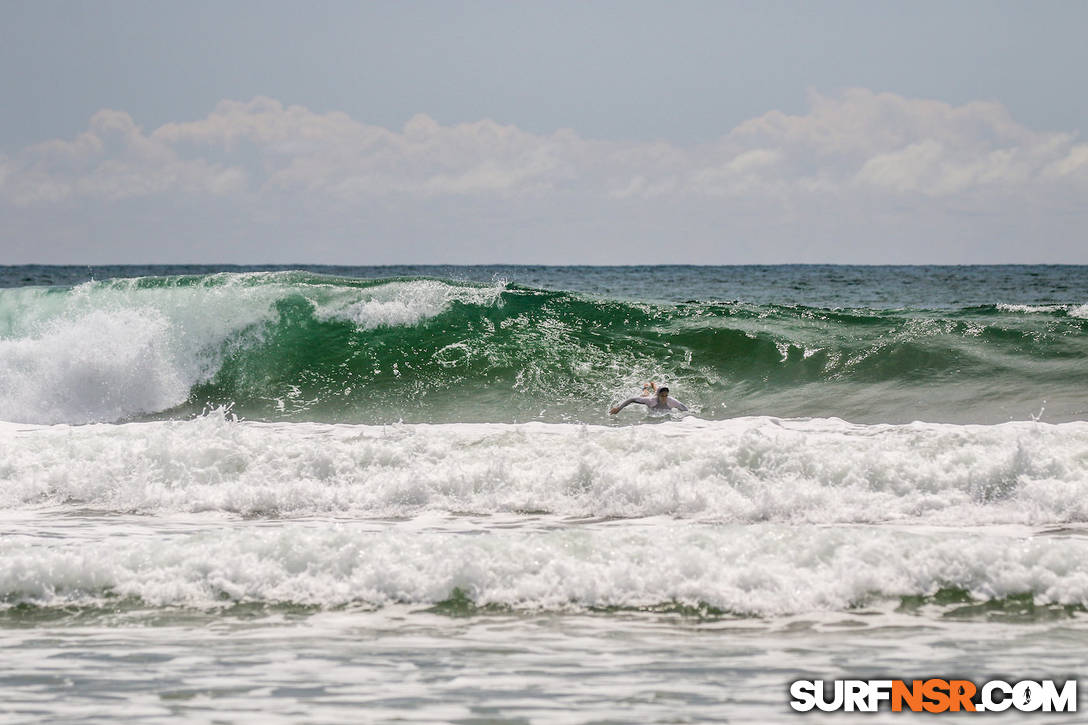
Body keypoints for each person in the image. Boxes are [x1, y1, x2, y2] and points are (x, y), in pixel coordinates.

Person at [610, 385, 688, 415]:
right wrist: (619, 408)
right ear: (658, 395)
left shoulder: (671, 401)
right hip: (651, 397)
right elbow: (632, 399)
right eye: (662, 395)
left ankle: (653, 384)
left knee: (656, 391)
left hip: (656, 394)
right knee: (645, 394)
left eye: (666, 395)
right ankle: (645, 387)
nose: (664, 397)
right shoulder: (651, 401)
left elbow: (684, 408)